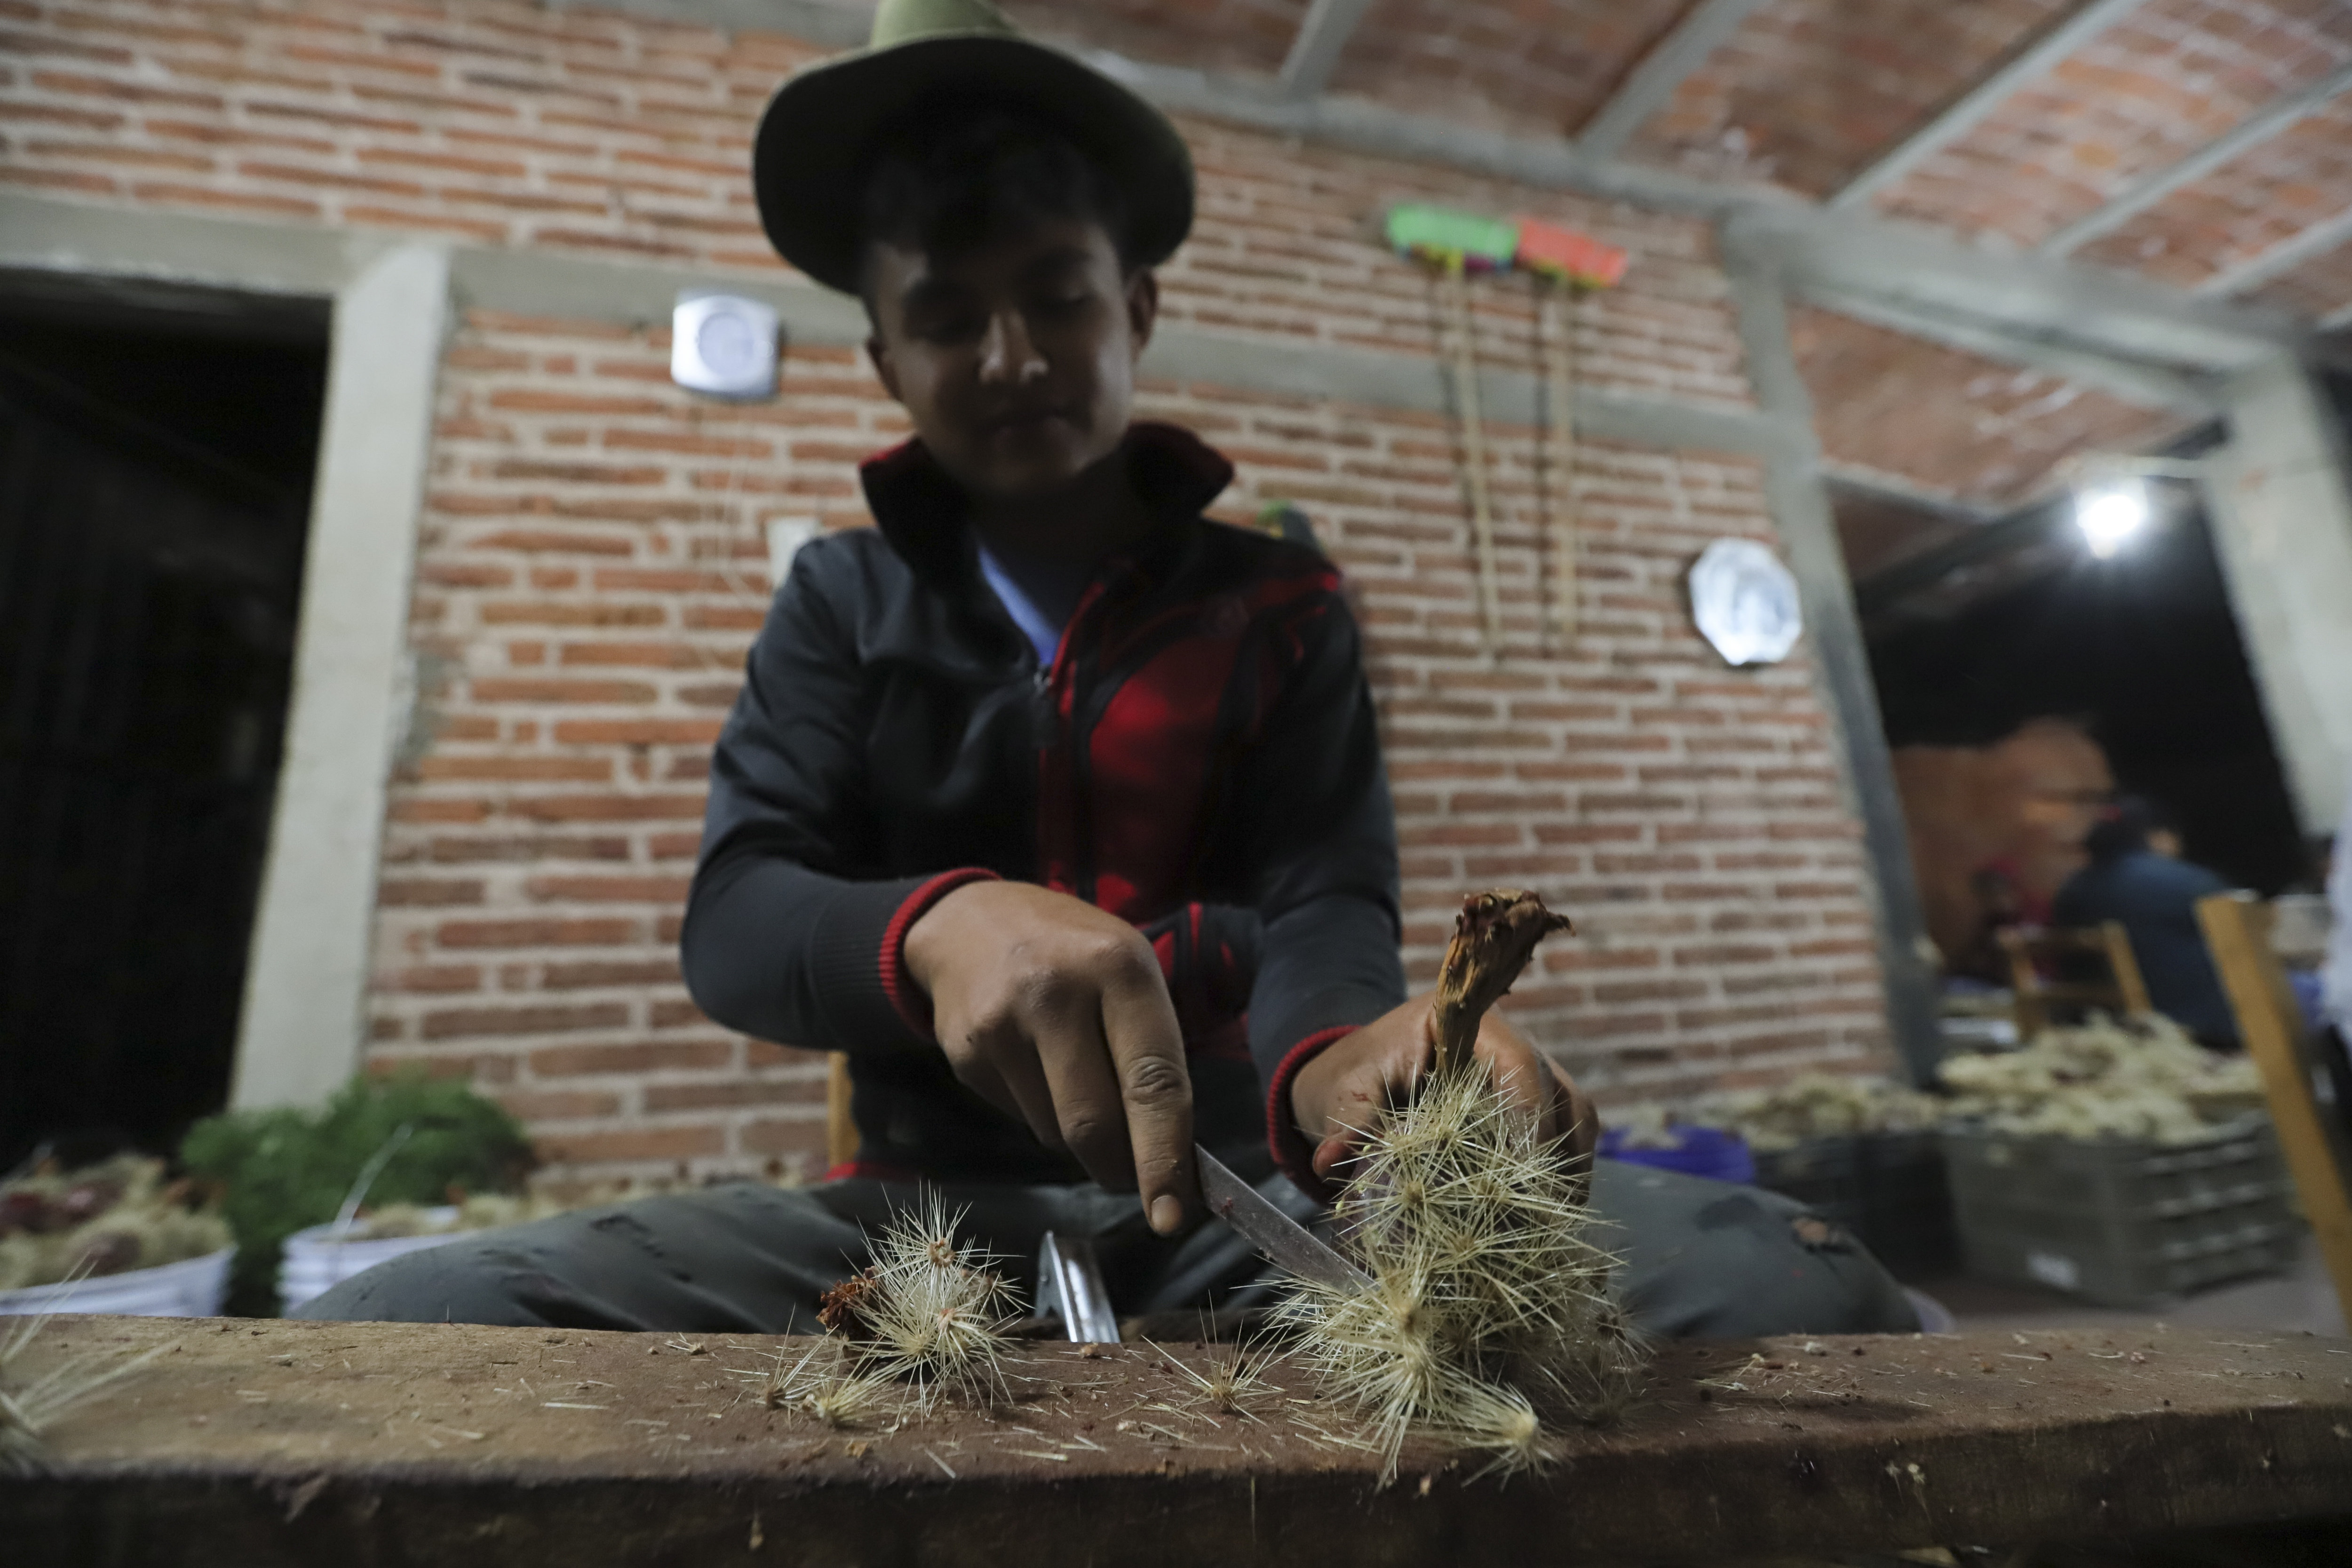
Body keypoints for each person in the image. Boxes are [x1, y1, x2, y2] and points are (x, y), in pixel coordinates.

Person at [296, 0, 1914, 1338]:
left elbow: (1324, 893)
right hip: (924, 1231)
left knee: (1793, 1281)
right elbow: (736, 919)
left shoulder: (1281, 603)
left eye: (1058, 299)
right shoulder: (843, 599)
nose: (1010, 359)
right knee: (407, 1325)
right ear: (885, 359)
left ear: (1134, 308)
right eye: (946, 317)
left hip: (1260, 1207)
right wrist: (930, 926)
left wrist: (1342, 1065)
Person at [2052, 796, 2237, 1048]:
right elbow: (2246, 946)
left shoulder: (2070, 893)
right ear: (2158, 837)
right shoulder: (2191, 883)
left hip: (2105, 1030)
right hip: (2201, 1033)